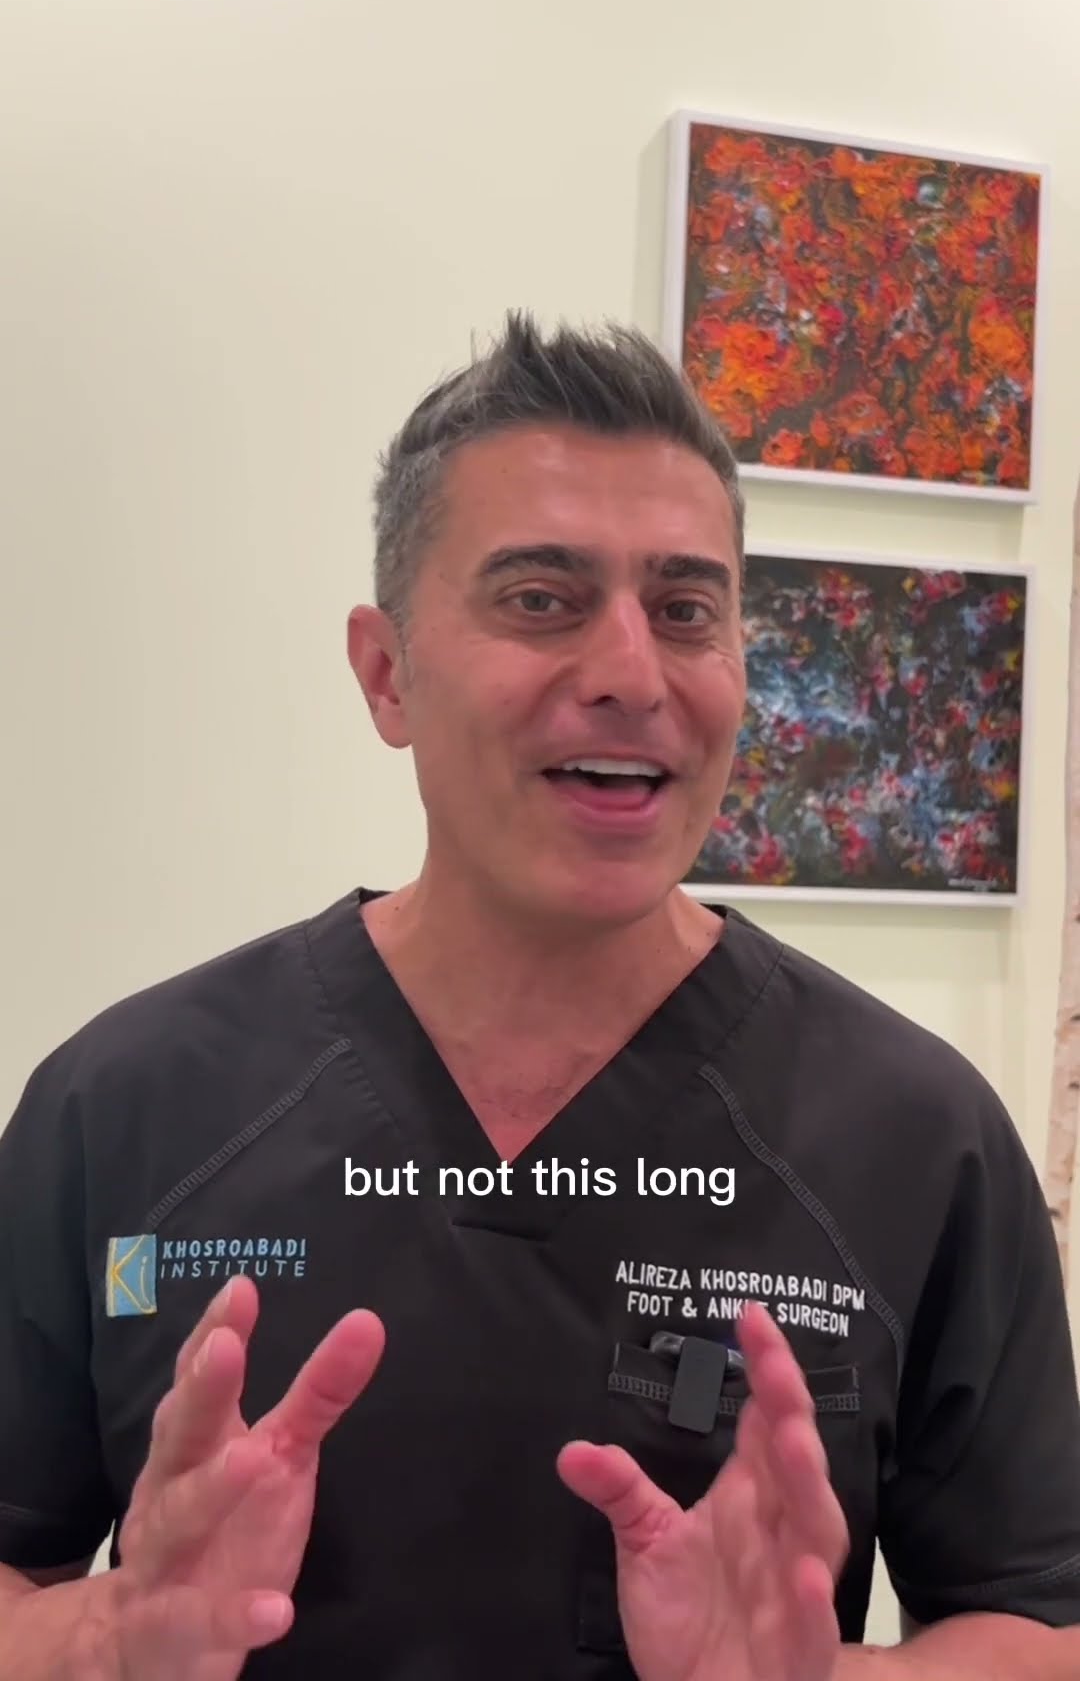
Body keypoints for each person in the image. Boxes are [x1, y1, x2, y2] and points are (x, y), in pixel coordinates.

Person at [1, 313, 1079, 1681]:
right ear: (387, 673)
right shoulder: (126, 1107)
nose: (632, 673)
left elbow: (1037, 1621)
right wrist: (103, 1639)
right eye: (541, 600)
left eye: (686, 611)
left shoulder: (916, 1137)